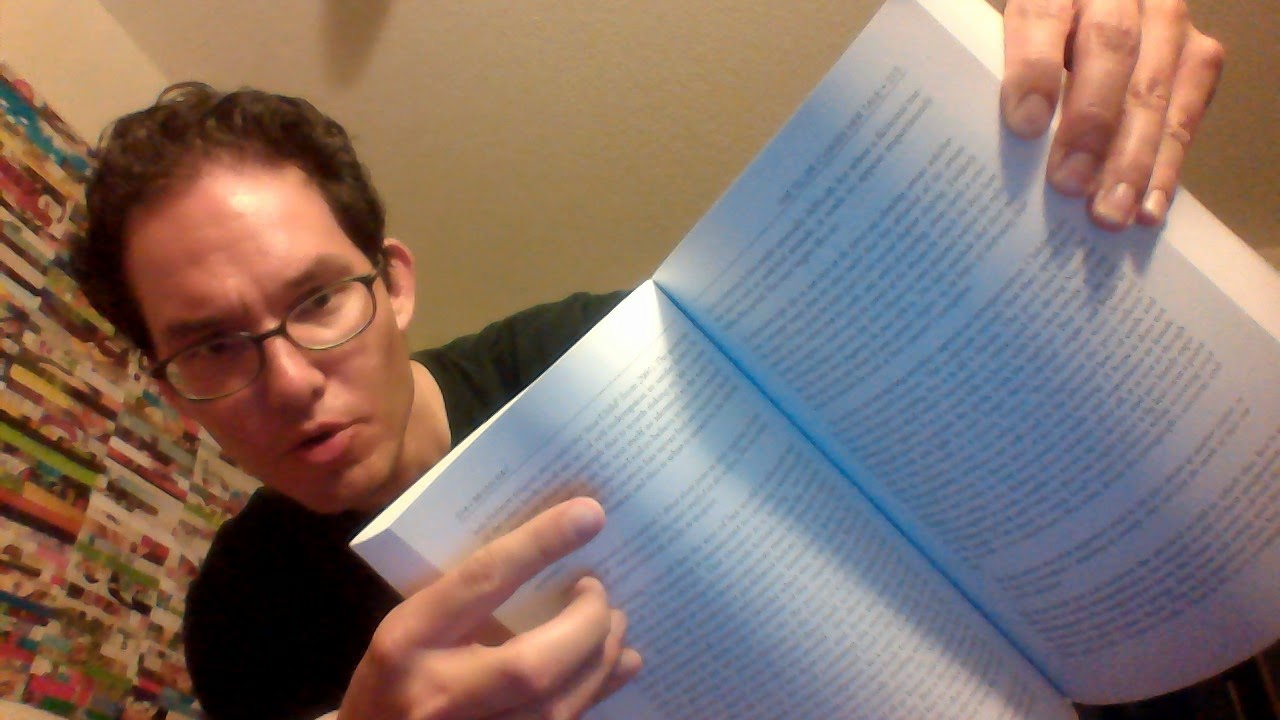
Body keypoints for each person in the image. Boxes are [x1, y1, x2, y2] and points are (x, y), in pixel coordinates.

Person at [69, 2, 1224, 718]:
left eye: (316, 299)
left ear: (396, 281)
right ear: (164, 383)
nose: (285, 380)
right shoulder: (240, 613)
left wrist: (1043, 106)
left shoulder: (620, 347)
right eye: (209, 346)